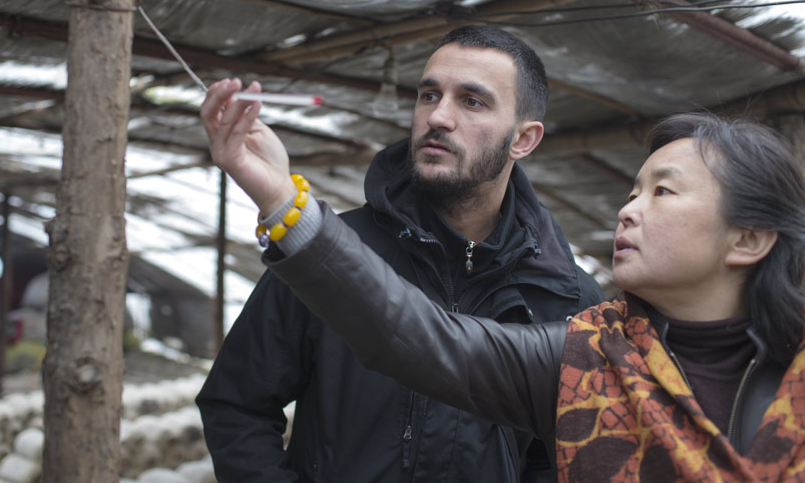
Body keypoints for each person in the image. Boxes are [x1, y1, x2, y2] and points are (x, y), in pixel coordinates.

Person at [200, 90, 805, 482]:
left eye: (662, 192)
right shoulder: (586, 360)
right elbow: (411, 335)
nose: (628, 211)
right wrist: (284, 202)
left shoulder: (568, 293)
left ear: (747, 239)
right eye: (631, 192)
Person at [196, 26, 604, 482]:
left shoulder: (566, 296)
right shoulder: (330, 256)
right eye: (429, 95)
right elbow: (236, 404)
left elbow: (561, 458)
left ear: (523, 139)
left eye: (472, 101)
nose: (439, 117)